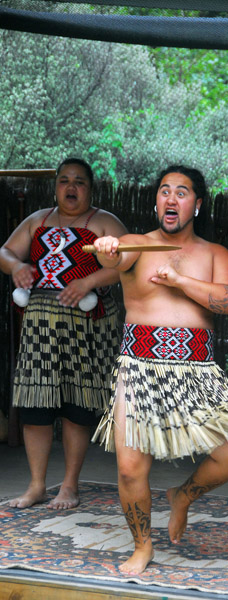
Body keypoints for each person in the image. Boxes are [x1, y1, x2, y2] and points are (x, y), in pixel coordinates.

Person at [93, 165, 228, 575]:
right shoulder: (136, 245)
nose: (171, 198)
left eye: (181, 192)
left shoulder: (215, 254)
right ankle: (143, 546)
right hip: (139, 367)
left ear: (197, 203)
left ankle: (183, 495)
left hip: (197, 371)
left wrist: (178, 280)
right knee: (129, 468)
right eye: (164, 191)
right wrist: (109, 247)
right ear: (156, 201)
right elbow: (114, 251)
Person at [0, 158, 127, 510]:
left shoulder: (104, 222)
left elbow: (128, 262)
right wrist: (17, 267)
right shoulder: (37, 220)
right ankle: (37, 485)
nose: (71, 188)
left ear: (91, 188)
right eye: (64, 181)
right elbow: (5, 251)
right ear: (55, 186)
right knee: (35, 406)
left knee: (77, 405)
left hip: (86, 327)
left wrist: (88, 281)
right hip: (40, 326)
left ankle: (69, 485)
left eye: (80, 182)